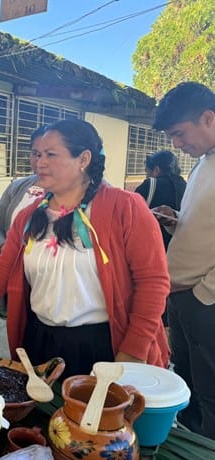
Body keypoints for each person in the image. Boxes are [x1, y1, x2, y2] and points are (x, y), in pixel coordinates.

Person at [0, 119, 170, 378]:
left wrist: (133, 351)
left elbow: (153, 282)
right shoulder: (30, 216)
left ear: (84, 159)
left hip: (101, 345)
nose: (39, 162)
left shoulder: (126, 208)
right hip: (38, 340)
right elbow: (0, 271)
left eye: (51, 154)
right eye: (36, 154)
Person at [151, 82, 215, 438]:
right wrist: (177, 220)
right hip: (181, 299)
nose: (176, 144)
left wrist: (205, 295)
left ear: (208, 118)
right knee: (187, 385)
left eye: (179, 133)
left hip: (204, 303)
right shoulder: (203, 163)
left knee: (211, 395)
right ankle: (188, 442)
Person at [0, 126, 46, 254]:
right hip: (13, 268)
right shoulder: (16, 187)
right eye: (35, 153)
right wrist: (5, 249)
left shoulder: (69, 194)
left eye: (48, 154)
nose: (39, 160)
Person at [134, 150, 186, 249]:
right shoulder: (187, 186)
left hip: (152, 249)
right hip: (178, 249)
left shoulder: (149, 185)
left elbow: (130, 217)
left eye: (147, 171)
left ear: (157, 170)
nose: (146, 176)